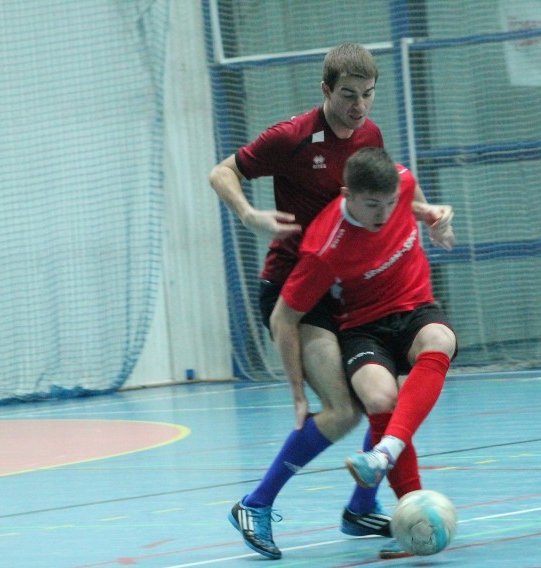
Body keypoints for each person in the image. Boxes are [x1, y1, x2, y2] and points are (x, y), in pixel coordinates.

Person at [209, 43, 390, 560]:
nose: (359, 107)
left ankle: (360, 508)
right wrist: (250, 216)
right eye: (349, 95)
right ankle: (255, 504)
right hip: (293, 288)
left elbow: (383, 192)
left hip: (345, 287)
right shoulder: (289, 138)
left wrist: (424, 212)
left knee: (381, 396)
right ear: (326, 90)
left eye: (368, 96)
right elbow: (222, 172)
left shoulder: (370, 135)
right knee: (341, 409)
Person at [270, 147, 457, 559]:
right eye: (373, 205)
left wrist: (435, 221)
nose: (385, 213)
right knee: (378, 399)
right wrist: (298, 393)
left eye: (391, 202)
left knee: (440, 339)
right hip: (362, 328)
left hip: (415, 310)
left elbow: (415, 201)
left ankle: (384, 454)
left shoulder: (402, 184)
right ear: (346, 194)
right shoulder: (324, 246)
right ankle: (404, 502)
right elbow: (283, 320)